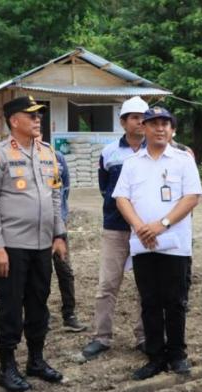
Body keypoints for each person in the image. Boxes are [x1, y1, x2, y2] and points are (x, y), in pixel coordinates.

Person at [0, 96, 67, 392]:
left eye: (38, 115)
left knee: (38, 303)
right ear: (14, 120)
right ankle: (6, 367)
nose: (37, 119)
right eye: (30, 115)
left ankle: (36, 360)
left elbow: (56, 196)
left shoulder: (48, 153)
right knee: (9, 307)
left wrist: (59, 234)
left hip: (43, 245)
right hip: (12, 247)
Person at [113, 106, 202, 380]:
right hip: (144, 244)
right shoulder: (132, 162)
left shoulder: (183, 160)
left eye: (166, 124)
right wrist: (140, 227)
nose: (160, 128)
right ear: (145, 128)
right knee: (149, 301)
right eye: (154, 124)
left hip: (174, 243)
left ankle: (177, 354)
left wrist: (161, 224)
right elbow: (121, 198)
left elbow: (192, 197)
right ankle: (155, 356)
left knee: (175, 301)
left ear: (172, 129)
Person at [80, 96, 147, 361]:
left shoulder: (154, 149)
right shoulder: (109, 153)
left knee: (146, 286)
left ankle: (145, 336)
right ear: (123, 122)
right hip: (115, 227)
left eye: (144, 117)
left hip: (146, 229)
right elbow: (104, 189)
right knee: (107, 284)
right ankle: (101, 337)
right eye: (134, 117)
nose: (141, 122)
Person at [38, 134, 86, 332]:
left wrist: (61, 219)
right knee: (41, 273)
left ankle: (69, 314)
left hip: (58, 226)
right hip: (35, 228)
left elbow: (64, 189)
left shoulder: (56, 157)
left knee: (65, 270)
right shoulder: (21, 159)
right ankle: (42, 315)